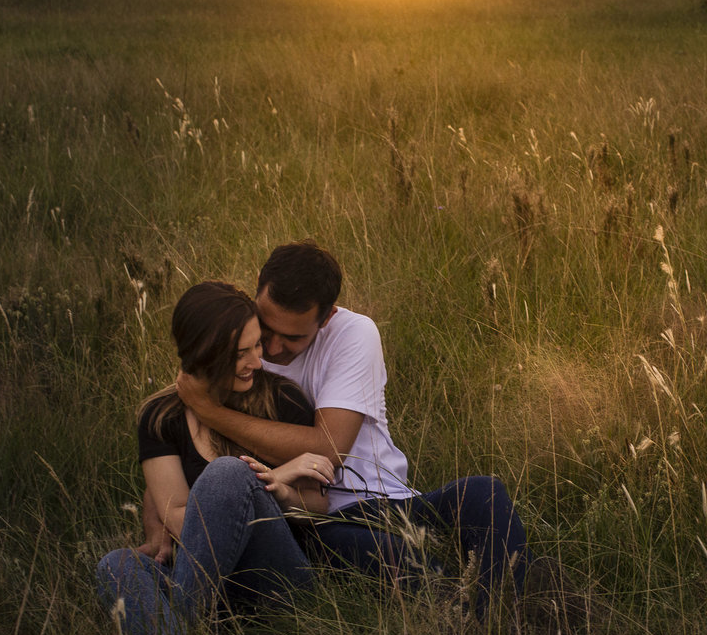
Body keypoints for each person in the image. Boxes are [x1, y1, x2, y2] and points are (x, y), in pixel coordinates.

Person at [176, 240, 528, 616]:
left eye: (293, 337)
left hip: (388, 501)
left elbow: (329, 448)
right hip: (309, 518)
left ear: (326, 317)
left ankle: (503, 614)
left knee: (484, 493)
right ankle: (465, 609)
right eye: (266, 328)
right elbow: (174, 433)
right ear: (258, 283)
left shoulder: (353, 333)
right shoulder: (241, 342)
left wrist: (209, 410)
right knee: (403, 563)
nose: (273, 349)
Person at [96, 281, 335, 635]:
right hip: (202, 576)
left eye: (257, 345)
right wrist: (273, 474)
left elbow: (318, 510)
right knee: (115, 563)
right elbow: (173, 516)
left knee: (228, 474)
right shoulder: (161, 418)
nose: (257, 361)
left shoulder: (283, 399)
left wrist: (273, 486)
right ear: (204, 354)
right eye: (241, 353)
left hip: (273, 578)